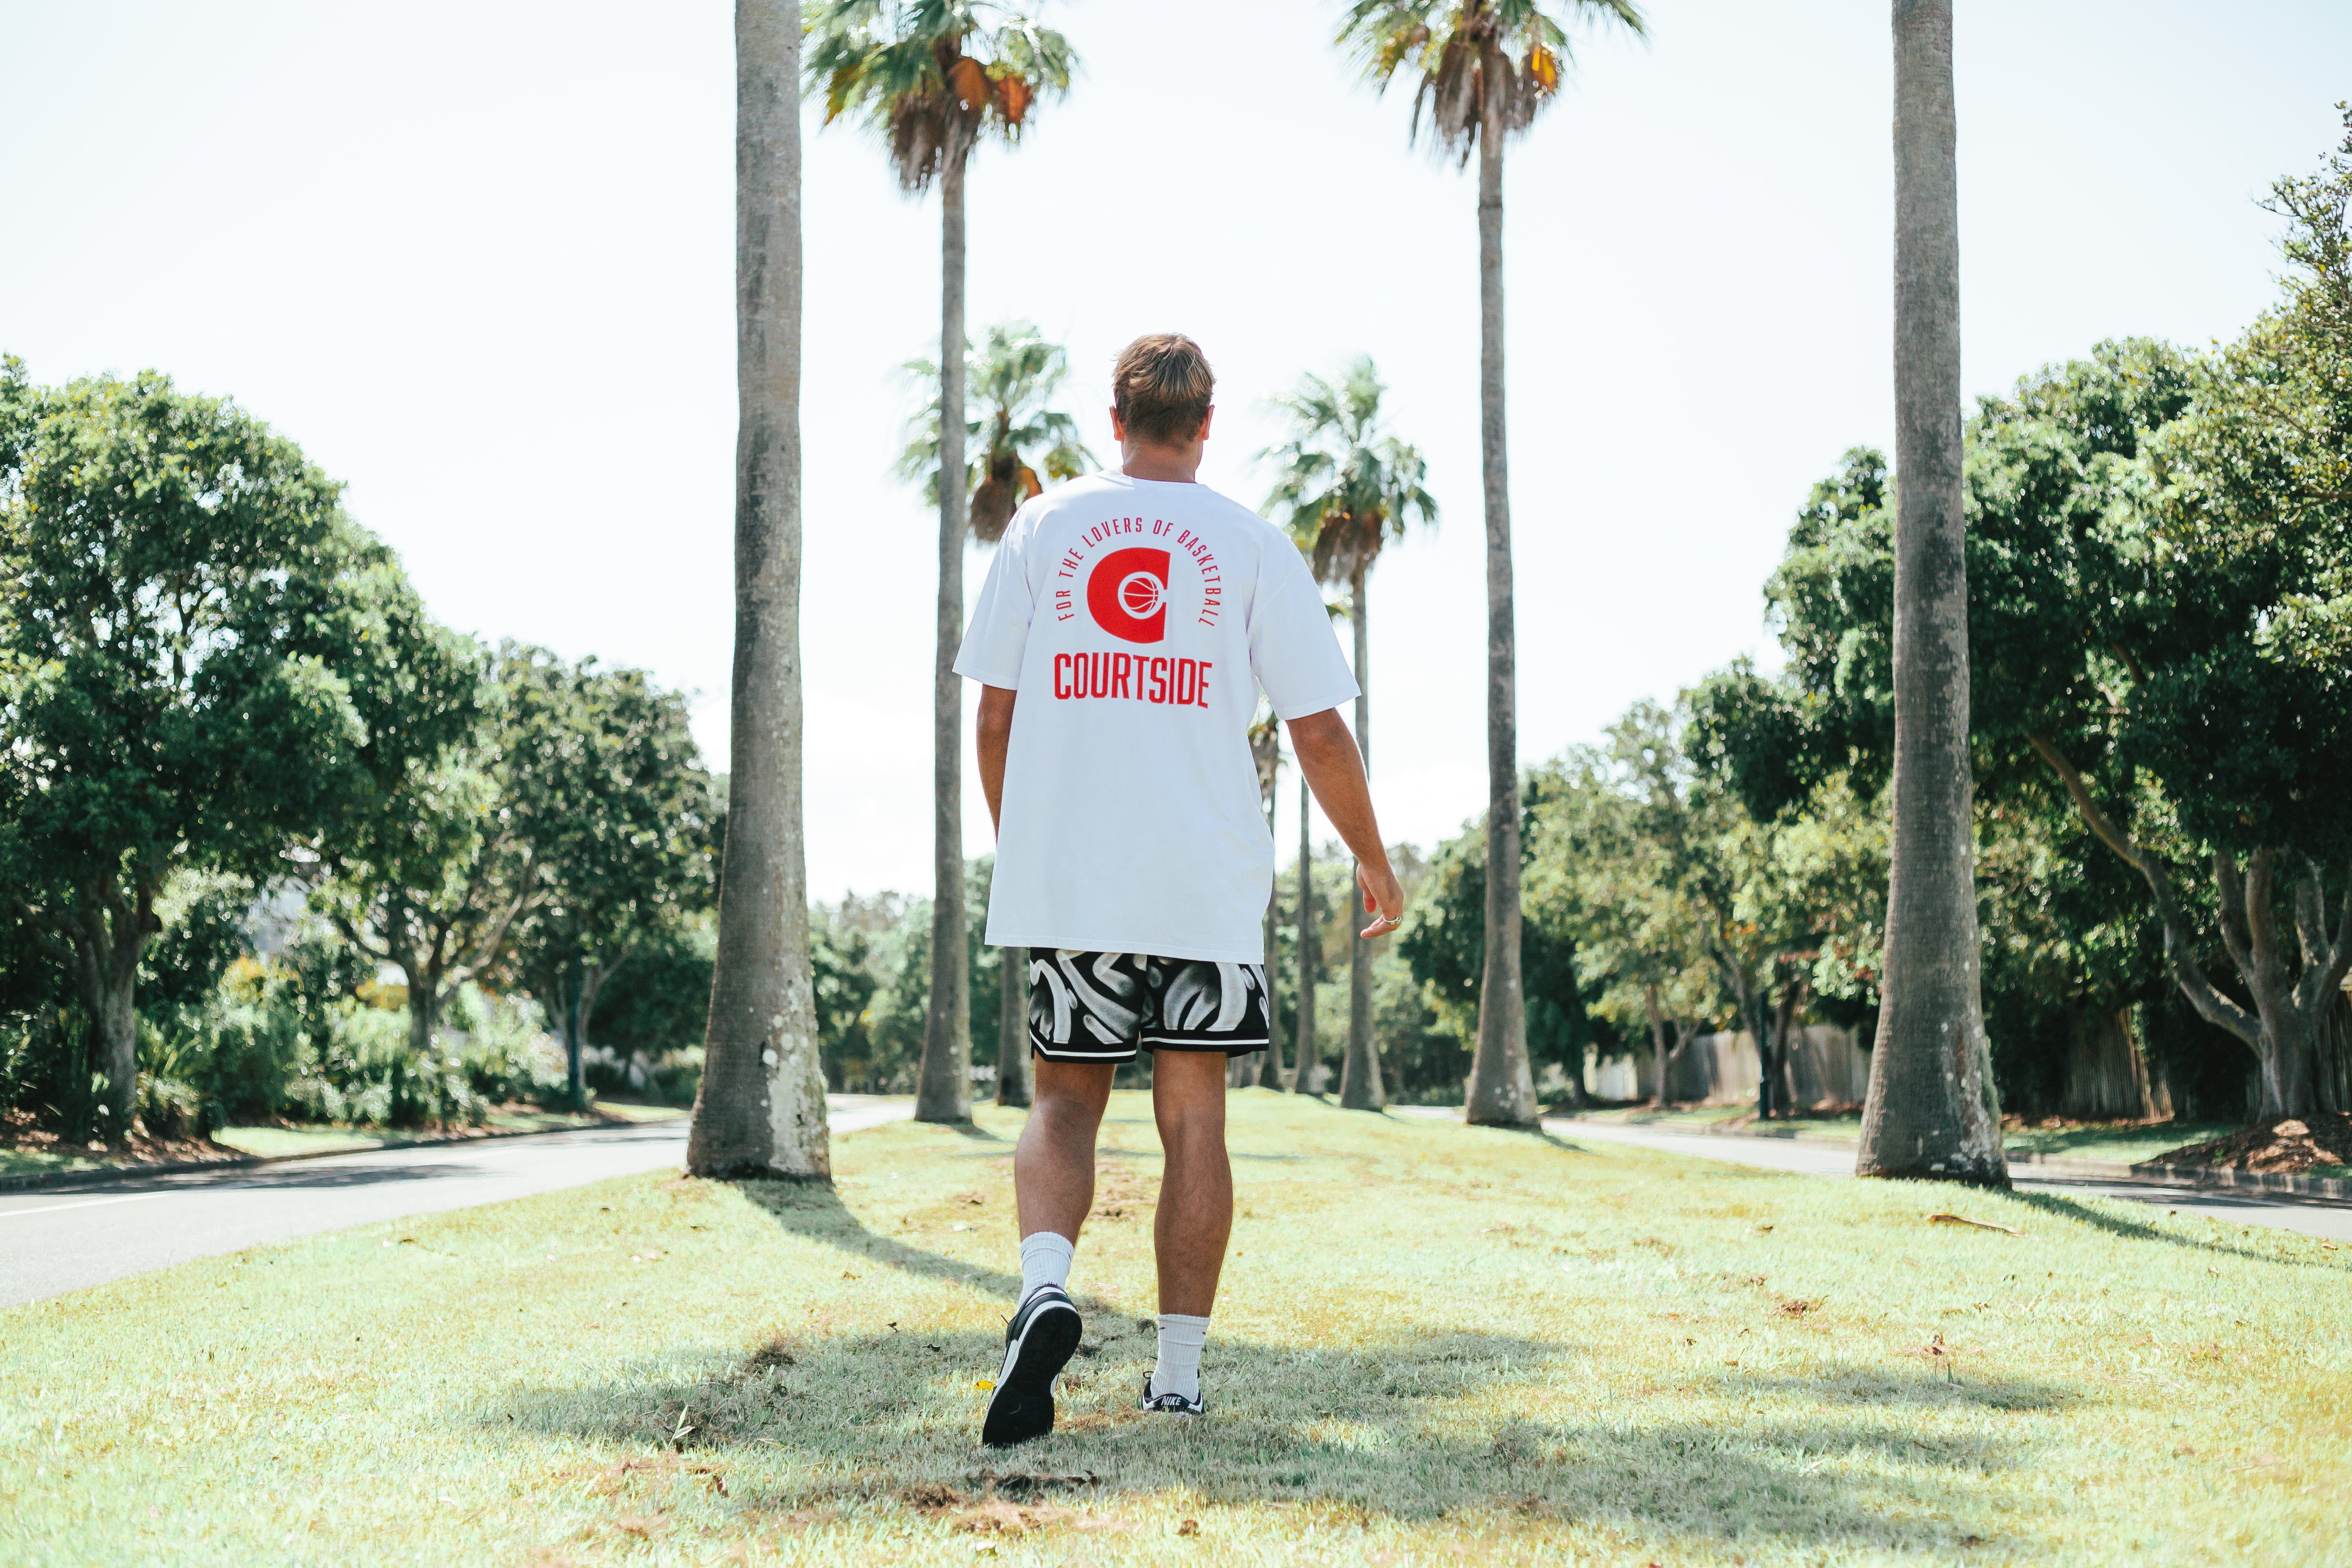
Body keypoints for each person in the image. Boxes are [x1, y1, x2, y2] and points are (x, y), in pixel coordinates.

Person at [953, 332, 1406, 1447]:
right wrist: (1372, 853)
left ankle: (1047, 1288)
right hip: (1201, 886)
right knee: (1194, 1118)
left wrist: (1032, 851)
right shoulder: (1249, 543)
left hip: (1077, 886)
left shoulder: (1046, 527)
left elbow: (996, 717)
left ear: (1115, 421)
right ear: (1206, 424)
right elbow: (1317, 728)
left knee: (1062, 1103)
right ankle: (1179, 1377)